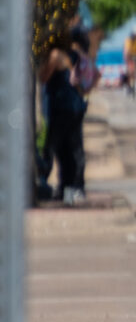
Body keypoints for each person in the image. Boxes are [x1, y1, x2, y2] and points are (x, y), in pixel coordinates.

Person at [38, 30, 90, 205]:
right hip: (76, 106)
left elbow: (43, 77)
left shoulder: (55, 55)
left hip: (60, 107)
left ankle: (44, 184)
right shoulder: (75, 55)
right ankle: (72, 189)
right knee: (72, 150)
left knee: (52, 149)